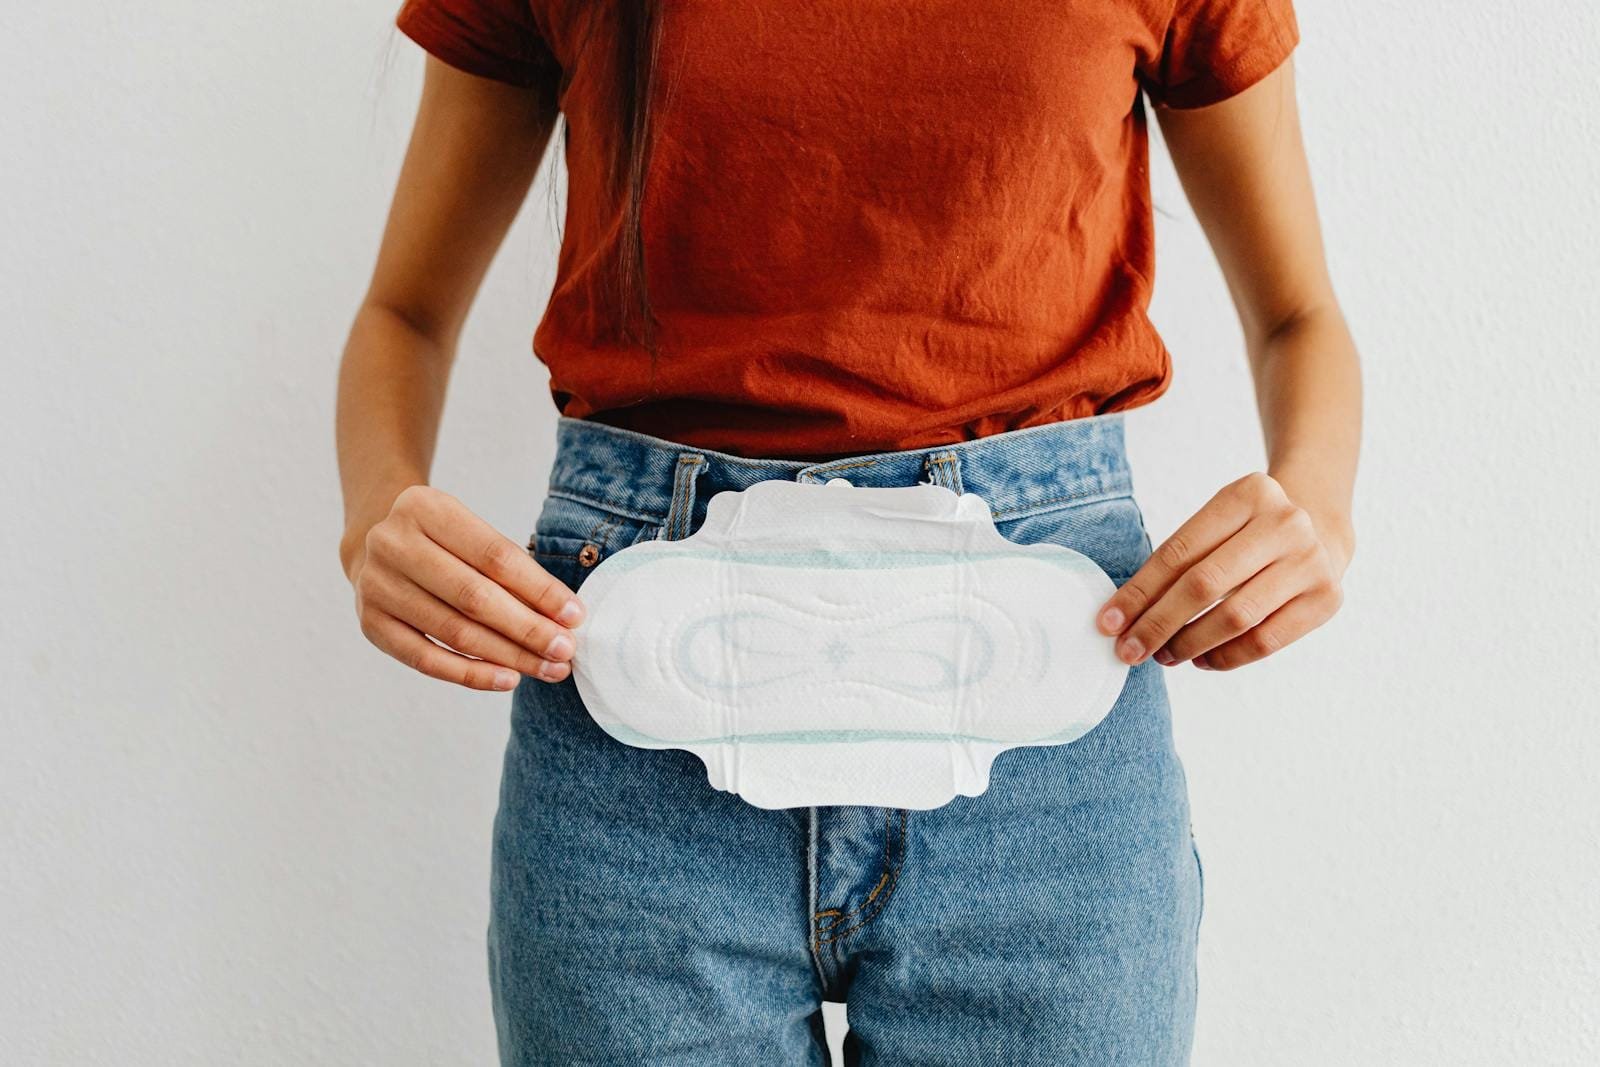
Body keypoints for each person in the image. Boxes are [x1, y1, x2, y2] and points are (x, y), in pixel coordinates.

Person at [335, 1, 1359, 1062]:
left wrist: (1319, 507)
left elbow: (1300, 316)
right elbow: (404, 311)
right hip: (636, 736)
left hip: (1046, 725)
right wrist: (373, 516)